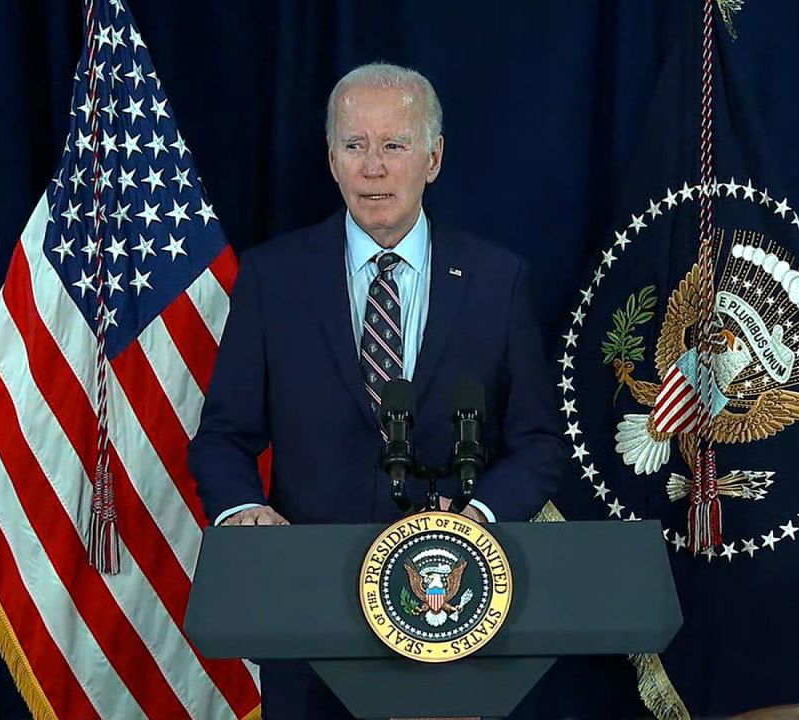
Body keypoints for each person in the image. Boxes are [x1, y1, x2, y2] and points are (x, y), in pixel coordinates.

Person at [188, 62, 564, 718]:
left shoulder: (497, 280)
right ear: (331, 160)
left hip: (451, 603)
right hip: (309, 611)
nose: (374, 167)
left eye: (395, 145)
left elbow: (536, 445)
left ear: (433, 157)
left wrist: (475, 523)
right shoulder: (274, 279)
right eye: (355, 146)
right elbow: (223, 437)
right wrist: (241, 509)